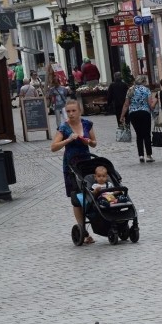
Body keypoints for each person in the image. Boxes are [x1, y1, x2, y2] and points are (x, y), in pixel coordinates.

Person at [50, 100, 97, 244]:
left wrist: (88, 141)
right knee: (77, 198)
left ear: (79, 111)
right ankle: (83, 230)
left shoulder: (87, 124)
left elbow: (94, 143)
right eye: (68, 111)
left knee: (90, 193)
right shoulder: (64, 127)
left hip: (86, 163)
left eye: (73, 111)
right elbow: (53, 147)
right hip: (71, 165)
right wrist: (68, 140)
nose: (71, 114)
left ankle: (95, 220)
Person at [120, 74, 154, 162]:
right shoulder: (146, 90)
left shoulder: (130, 90)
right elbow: (150, 104)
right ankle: (149, 155)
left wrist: (122, 116)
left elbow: (126, 104)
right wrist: (154, 109)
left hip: (133, 114)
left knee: (139, 135)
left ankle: (141, 155)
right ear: (143, 81)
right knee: (146, 134)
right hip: (145, 113)